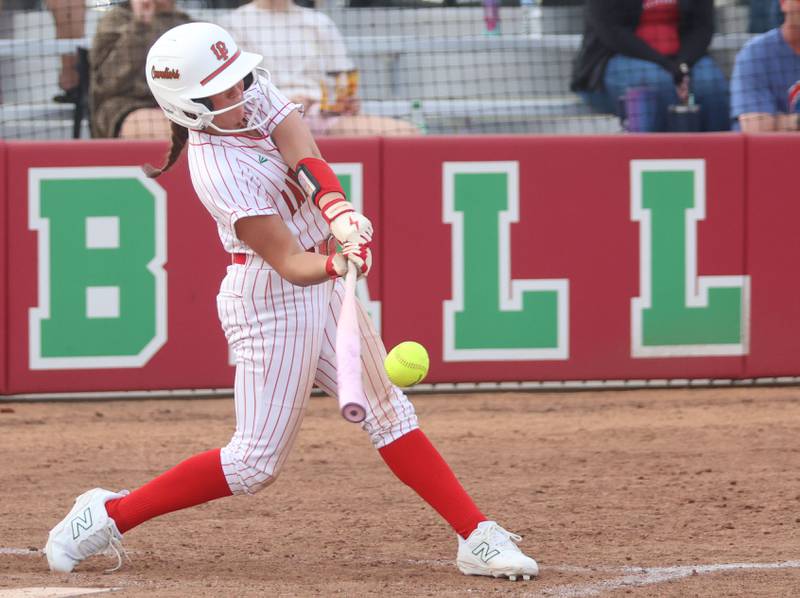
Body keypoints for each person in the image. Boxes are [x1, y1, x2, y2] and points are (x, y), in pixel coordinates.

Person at [43, 22, 538, 582]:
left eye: (239, 82)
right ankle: (107, 514)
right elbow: (288, 262)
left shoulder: (248, 90)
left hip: (320, 280)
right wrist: (337, 260)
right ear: (189, 108)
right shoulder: (217, 171)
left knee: (388, 412)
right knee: (254, 464)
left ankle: (476, 535)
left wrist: (337, 209)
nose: (239, 96)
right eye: (221, 94)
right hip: (269, 301)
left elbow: (299, 142)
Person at [225, 0, 419, 136]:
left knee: (406, 132)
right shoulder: (234, 23)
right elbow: (235, 91)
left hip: (321, 115)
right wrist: (284, 103)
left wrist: (344, 102)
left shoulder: (319, 22)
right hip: (264, 118)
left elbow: (341, 82)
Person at [570, 0, 730, 132]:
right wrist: (664, 64)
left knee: (711, 83)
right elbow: (612, 32)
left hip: (685, 57)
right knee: (657, 81)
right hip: (619, 56)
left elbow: (702, 27)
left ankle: (715, 155)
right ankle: (658, 155)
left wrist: (683, 64)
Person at [89, 0, 190, 139]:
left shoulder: (186, 23)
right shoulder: (116, 20)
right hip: (127, 104)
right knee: (176, 133)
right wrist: (141, 24)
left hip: (179, 103)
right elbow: (108, 83)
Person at [731, 0, 800, 132]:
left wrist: (779, 121)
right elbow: (756, 128)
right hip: (774, 151)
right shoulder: (755, 53)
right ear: (783, 3)